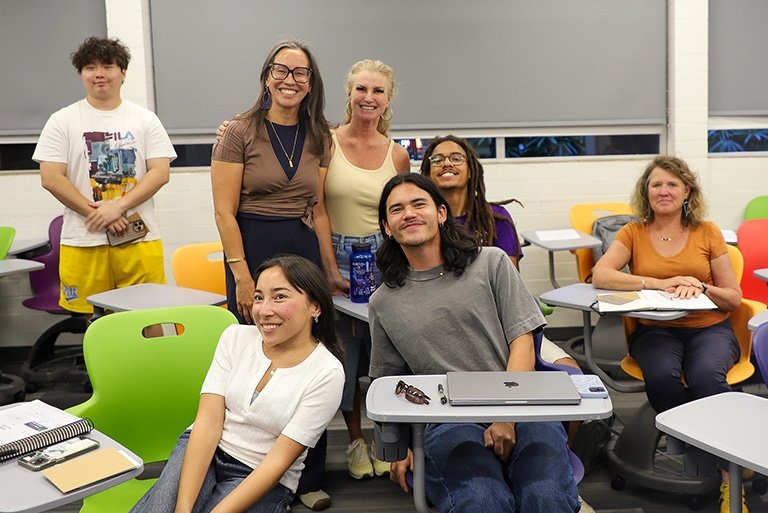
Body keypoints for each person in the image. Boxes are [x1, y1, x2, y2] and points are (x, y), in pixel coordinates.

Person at [368, 173, 579, 512]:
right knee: (482, 499)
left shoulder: (491, 262)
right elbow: (391, 383)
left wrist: (506, 417)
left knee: (545, 495)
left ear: (440, 213)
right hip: (448, 418)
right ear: (387, 226)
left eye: (418, 204)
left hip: (524, 406)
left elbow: (523, 341)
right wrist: (401, 446)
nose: (409, 213)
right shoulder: (383, 302)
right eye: (397, 209)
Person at [211, 39, 337, 510]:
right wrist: (241, 276)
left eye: (301, 73)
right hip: (251, 246)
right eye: (281, 70)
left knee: (310, 355)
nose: (290, 79)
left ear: (311, 83)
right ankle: (245, 463)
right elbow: (224, 213)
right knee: (256, 358)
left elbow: (319, 209)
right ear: (267, 76)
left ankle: (305, 475)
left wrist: (329, 267)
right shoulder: (238, 131)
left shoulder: (320, 135)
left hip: (301, 246)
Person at [130, 255, 345, 513]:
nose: (264, 310)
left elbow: (277, 462)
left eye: (279, 297)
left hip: (259, 472)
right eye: (258, 297)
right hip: (205, 448)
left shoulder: (327, 372)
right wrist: (183, 509)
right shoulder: (235, 337)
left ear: (315, 306)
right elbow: (208, 421)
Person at [592, 155, 744, 513]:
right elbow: (602, 275)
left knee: (707, 377)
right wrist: (662, 281)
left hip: (709, 330)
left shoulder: (707, 231)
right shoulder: (633, 232)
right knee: (661, 376)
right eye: (656, 184)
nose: (664, 191)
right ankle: (710, 450)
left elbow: (733, 297)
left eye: (672, 184)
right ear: (646, 192)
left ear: (687, 191)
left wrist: (701, 286)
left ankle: (726, 479)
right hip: (655, 331)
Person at [33, 36, 175, 315]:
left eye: (107, 66)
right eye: (90, 67)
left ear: (122, 71)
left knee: (150, 315)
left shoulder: (145, 119)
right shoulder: (62, 120)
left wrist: (118, 208)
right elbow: (51, 177)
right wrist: (97, 213)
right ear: (81, 74)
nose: (99, 73)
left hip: (139, 238)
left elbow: (160, 172)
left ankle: (149, 361)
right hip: (83, 239)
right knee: (92, 320)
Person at [418, 135, 579, 371]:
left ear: (471, 169)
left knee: (570, 371)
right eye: (438, 159)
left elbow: (510, 286)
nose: (447, 164)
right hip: (449, 327)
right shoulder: (422, 223)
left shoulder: (496, 219)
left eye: (456, 158)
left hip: (504, 323)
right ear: (428, 174)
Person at [322, 59, 410, 480]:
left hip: (383, 258)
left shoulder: (398, 154)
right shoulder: (327, 143)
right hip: (335, 255)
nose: (368, 98)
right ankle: (355, 440)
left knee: (386, 355)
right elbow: (316, 207)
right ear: (349, 94)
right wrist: (325, 264)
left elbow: (402, 215)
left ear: (388, 99)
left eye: (377, 91)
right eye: (361, 89)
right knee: (344, 357)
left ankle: (388, 439)